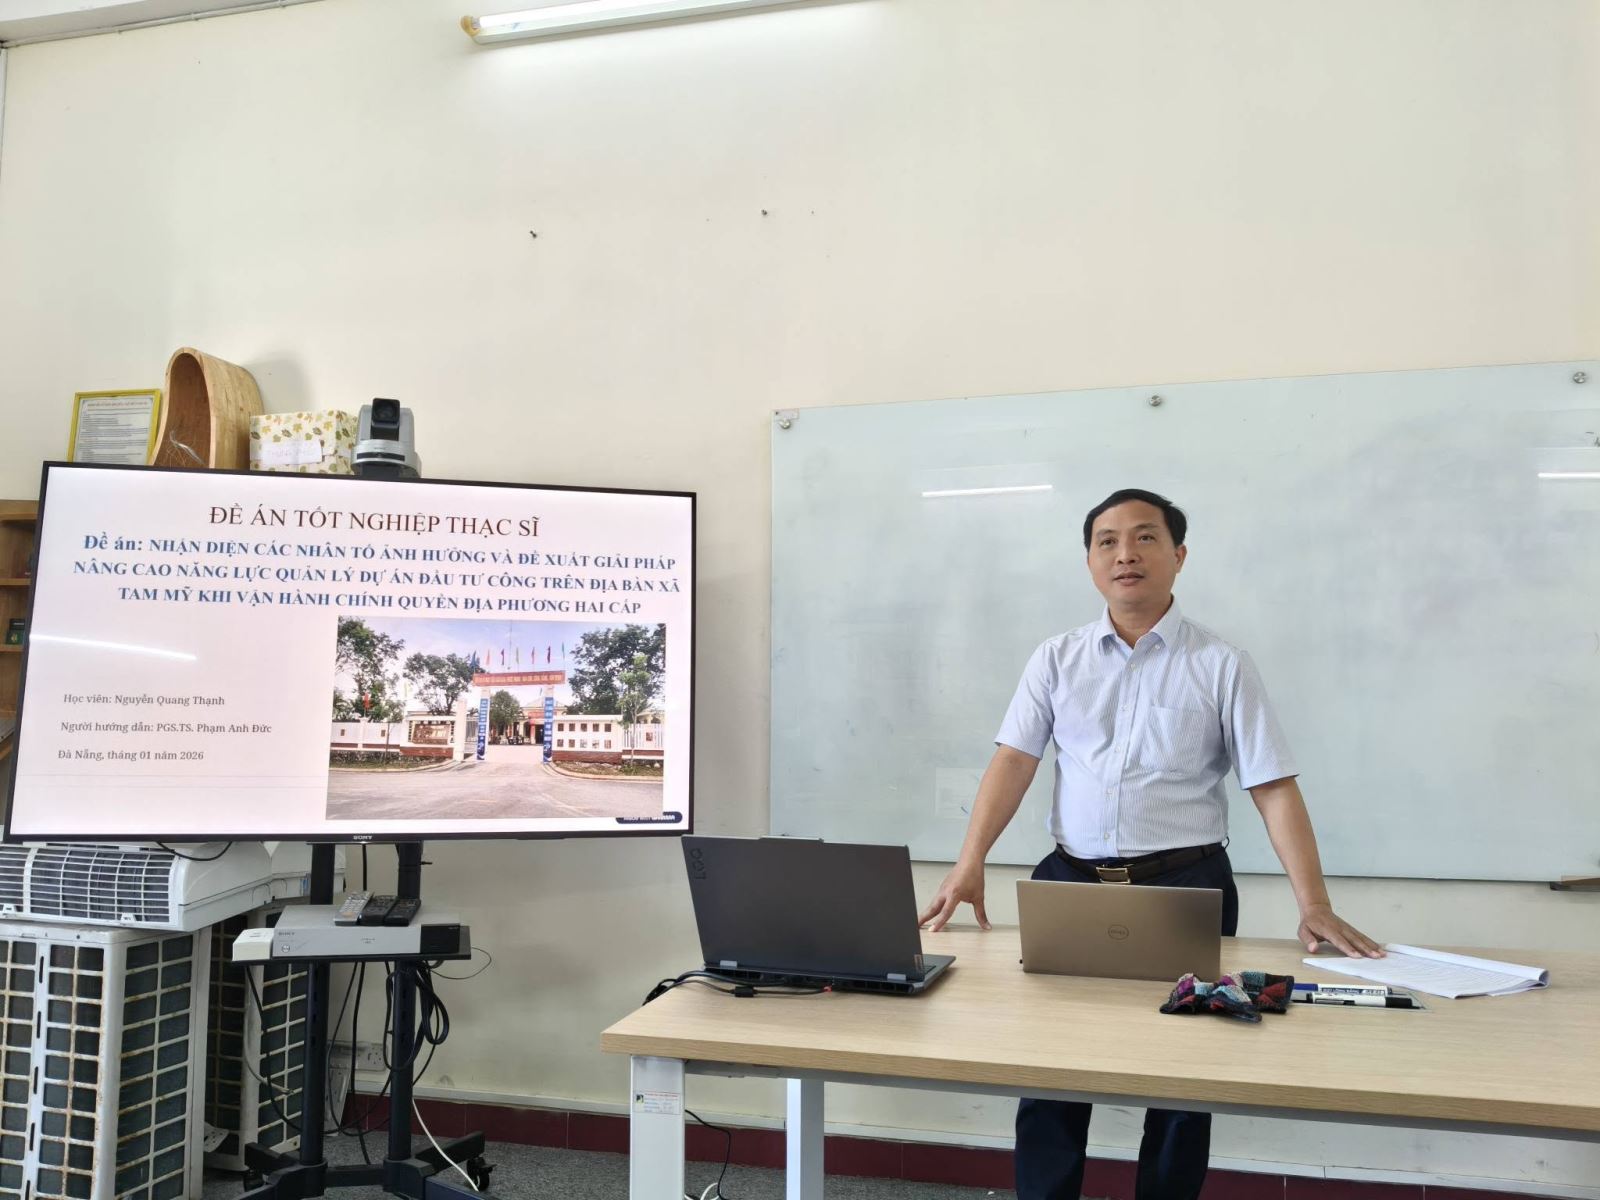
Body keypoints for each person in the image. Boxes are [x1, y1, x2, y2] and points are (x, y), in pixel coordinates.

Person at [917, 487, 1382, 1200]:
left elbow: (1272, 786)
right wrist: (969, 861)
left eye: (1144, 537)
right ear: (1089, 561)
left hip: (1184, 886)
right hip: (1072, 883)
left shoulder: (1221, 664)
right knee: (1051, 1068)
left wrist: (1312, 903)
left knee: (1184, 1075)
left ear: (1178, 555)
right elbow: (1014, 760)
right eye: (1106, 541)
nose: (1125, 554)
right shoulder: (1056, 658)